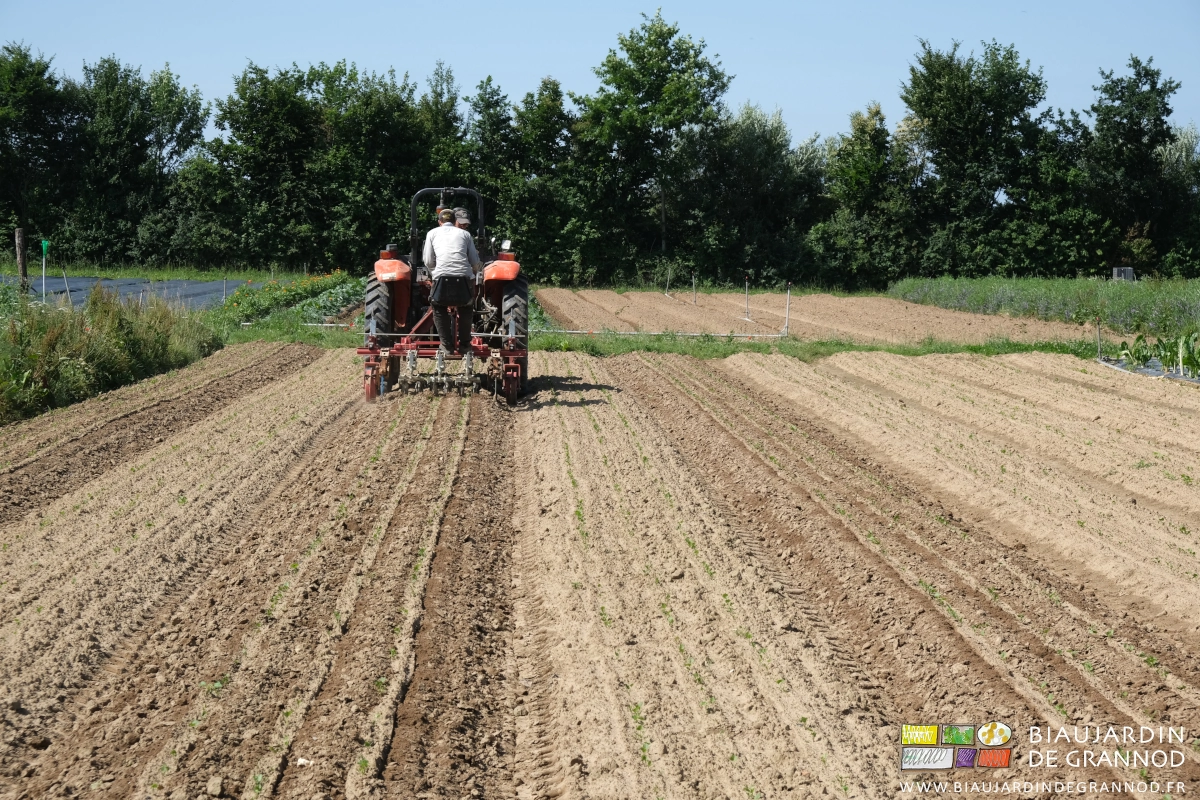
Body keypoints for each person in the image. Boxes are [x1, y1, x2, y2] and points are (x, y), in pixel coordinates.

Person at [422, 208, 481, 356]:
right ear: (455, 221)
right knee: (467, 307)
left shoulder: (432, 233)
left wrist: (437, 271)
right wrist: (474, 271)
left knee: (438, 307)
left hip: (441, 279)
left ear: (439, 222)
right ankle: (465, 345)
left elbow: (428, 261)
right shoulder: (465, 234)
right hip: (463, 279)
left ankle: (446, 346)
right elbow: (474, 261)